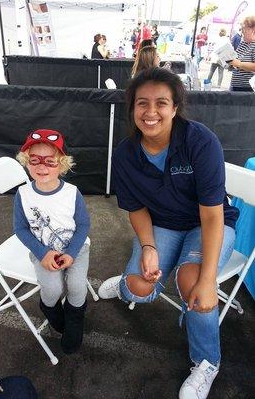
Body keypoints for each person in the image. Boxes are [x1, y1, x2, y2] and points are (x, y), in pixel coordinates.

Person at [98, 68, 239, 399]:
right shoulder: (125, 153)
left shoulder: (199, 141)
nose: (150, 112)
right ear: (132, 109)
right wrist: (147, 246)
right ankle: (122, 284)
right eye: (141, 103)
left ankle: (207, 362)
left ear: (175, 108)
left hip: (208, 224)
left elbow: (212, 214)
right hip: (162, 225)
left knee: (193, 284)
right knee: (139, 288)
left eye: (161, 103)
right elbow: (136, 208)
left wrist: (208, 282)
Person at [14, 129, 90, 354]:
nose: (42, 167)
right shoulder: (23, 194)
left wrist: (72, 253)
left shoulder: (72, 192)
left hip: (76, 248)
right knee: (52, 288)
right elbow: (20, 229)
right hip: (43, 250)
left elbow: (83, 226)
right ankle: (51, 309)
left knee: (76, 286)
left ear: (62, 164)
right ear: (27, 162)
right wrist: (42, 252)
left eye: (50, 161)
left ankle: (75, 317)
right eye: (34, 160)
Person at [229, 16, 255, 92]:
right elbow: (236, 59)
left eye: (244, 28)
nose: (242, 31)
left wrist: (240, 64)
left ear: (253, 29)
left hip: (249, 90)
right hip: (235, 86)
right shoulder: (243, 43)